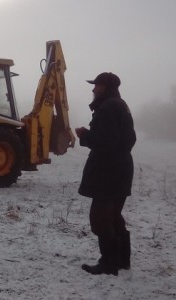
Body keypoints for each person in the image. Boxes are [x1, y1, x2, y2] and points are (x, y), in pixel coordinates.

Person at [75, 72, 136, 276]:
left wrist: (85, 135)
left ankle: (109, 263)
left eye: (97, 86)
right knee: (113, 215)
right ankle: (121, 261)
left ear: (105, 87)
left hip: (109, 170)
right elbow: (128, 138)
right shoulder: (121, 105)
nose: (93, 89)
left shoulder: (108, 107)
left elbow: (105, 141)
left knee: (100, 218)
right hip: (122, 167)